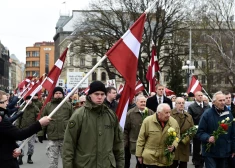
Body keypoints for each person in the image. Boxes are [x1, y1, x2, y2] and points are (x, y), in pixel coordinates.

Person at [62, 81, 124, 168]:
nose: (99, 97)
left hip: (107, 164)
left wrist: (120, 165)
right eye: (96, 94)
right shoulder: (79, 115)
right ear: (90, 95)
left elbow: (118, 143)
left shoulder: (111, 115)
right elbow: (69, 145)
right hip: (85, 164)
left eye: (102, 94)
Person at [0, 90, 51, 168]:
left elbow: (7, 137)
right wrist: (40, 123)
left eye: (7, 100)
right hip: (5, 161)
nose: (7, 103)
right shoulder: (2, 119)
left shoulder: (3, 116)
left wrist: (16, 148)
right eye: (4, 101)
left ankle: (29, 157)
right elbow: (19, 134)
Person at [37, 87, 74, 168]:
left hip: (65, 138)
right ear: (53, 95)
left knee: (67, 162)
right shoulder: (48, 106)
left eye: (60, 93)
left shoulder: (68, 105)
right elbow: (42, 119)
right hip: (52, 138)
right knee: (52, 163)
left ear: (63, 94)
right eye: (56, 93)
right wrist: (40, 133)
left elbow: (73, 121)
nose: (58, 95)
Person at [197, 91, 235, 168]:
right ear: (214, 102)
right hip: (210, 152)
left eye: (224, 100)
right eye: (220, 100)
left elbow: (233, 134)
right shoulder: (207, 114)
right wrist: (208, 138)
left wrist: (234, 149)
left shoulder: (229, 114)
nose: (223, 102)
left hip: (225, 152)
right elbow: (200, 133)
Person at [136, 103, 180, 167]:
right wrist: (139, 155)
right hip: (150, 159)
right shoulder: (148, 121)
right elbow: (141, 139)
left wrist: (173, 145)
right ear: (159, 113)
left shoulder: (173, 122)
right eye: (166, 113)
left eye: (169, 112)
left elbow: (177, 136)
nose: (168, 115)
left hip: (165, 159)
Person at [124, 95, 154, 168]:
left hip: (148, 143)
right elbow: (126, 129)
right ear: (136, 102)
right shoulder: (130, 113)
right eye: (141, 102)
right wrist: (125, 143)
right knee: (140, 161)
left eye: (144, 102)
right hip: (135, 142)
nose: (143, 103)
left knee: (143, 162)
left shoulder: (150, 113)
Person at [188, 91, 210, 168]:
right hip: (196, 130)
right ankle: (197, 162)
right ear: (195, 97)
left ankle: (203, 160)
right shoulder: (192, 107)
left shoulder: (207, 106)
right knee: (197, 148)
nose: (200, 96)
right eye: (199, 95)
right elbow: (190, 119)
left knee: (205, 147)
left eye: (201, 95)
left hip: (206, 131)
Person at [170, 97, 194, 168]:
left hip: (184, 146)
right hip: (172, 145)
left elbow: (192, 130)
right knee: (172, 165)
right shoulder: (170, 115)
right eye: (179, 103)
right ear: (175, 104)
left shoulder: (188, 116)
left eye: (183, 103)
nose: (181, 105)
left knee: (183, 165)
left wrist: (186, 138)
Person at [15, 95, 39, 165]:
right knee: (20, 144)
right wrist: (17, 127)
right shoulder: (22, 108)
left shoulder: (35, 108)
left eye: (30, 99)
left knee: (31, 145)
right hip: (22, 129)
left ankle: (29, 157)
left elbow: (38, 118)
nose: (28, 101)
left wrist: (37, 128)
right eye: (27, 99)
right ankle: (20, 158)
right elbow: (18, 118)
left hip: (31, 130)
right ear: (25, 100)